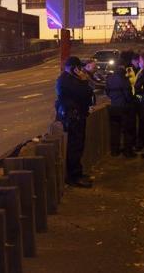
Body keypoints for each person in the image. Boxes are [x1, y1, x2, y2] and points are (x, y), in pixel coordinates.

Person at [56, 56, 95, 188]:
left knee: (78, 146)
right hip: (72, 118)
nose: (80, 70)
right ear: (73, 68)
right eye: (78, 68)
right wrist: (84, 81)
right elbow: (85, 93)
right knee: (74, 147)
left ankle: (77, 173)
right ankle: (73, 177)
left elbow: (89, 95)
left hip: (78, 116)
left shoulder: (72, 79)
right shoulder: (66, 80)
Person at [105, 55, 136, 158]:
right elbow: (128, 94)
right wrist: (130, 101)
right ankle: (128, 151)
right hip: (124, 108)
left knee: (115, 131)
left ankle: (115, 151)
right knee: (127, 130)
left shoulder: (109, 78)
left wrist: (115, 99)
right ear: (122, 66)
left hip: (113, 107)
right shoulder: (124, 79)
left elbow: (107, 92)